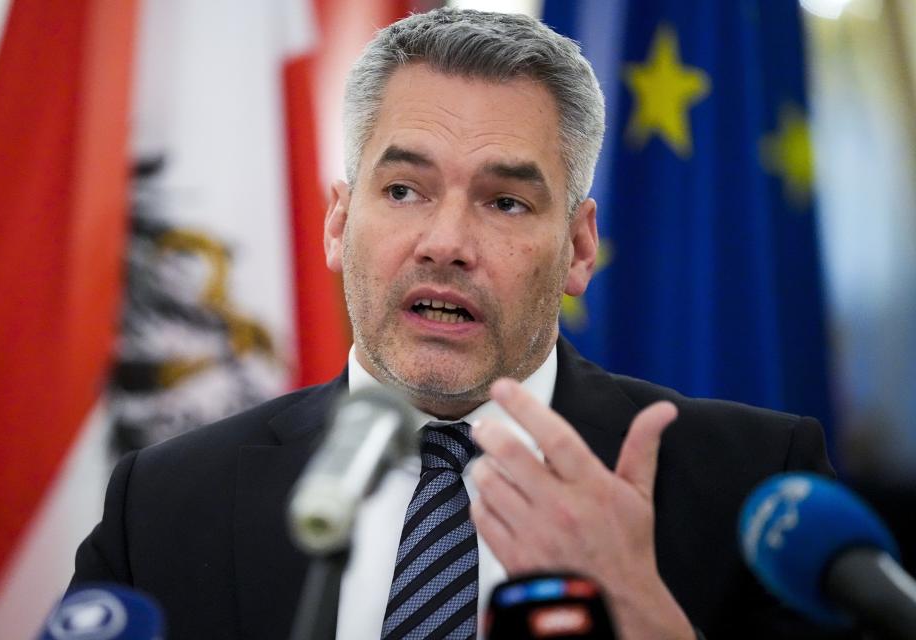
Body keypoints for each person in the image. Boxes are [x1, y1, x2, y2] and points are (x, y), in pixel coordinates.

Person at [72, 8, 841, 639]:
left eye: (505, 202)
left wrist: (645, 618)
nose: (445, 243)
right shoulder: (163, 505)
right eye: (404, 190)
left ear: (578, 249)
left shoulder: (759, 491)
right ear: (339, 222)